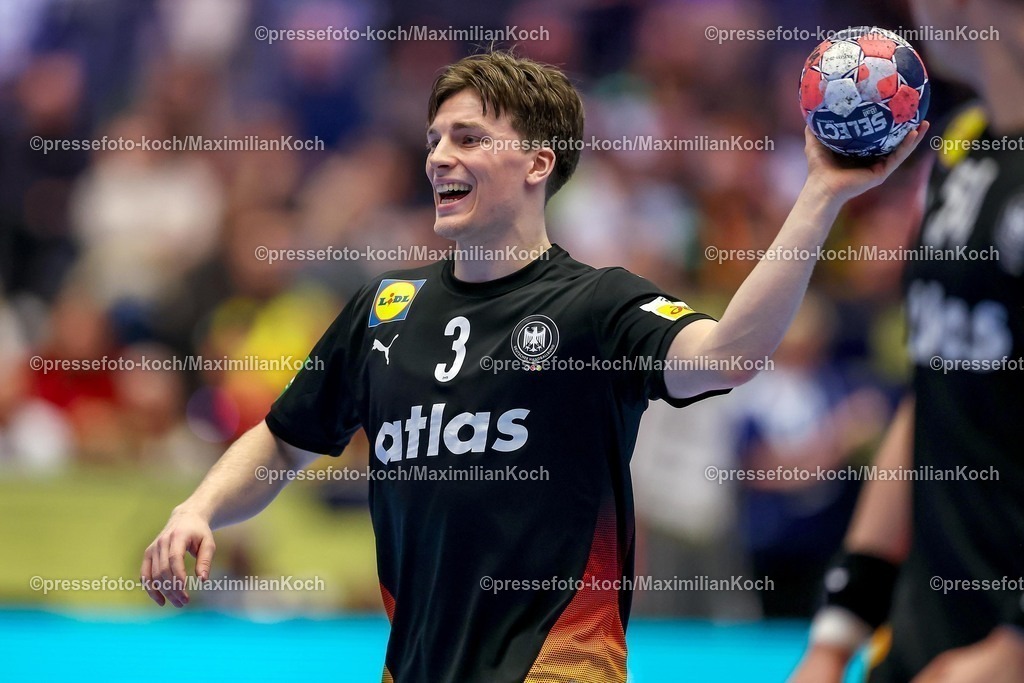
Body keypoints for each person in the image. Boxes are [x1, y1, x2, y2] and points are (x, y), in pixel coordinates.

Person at [141, 50, 923, 682]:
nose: (439, 157)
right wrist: (200, 506)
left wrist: (821, 194)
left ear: (539, 162)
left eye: (470, 138)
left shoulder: (597, 306)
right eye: (435, 139)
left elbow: (729, 355)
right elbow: (284, 440)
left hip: (560, 664)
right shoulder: (385, 309)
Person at [789, 2, 1024, 682]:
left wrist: (1015, 645)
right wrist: (837, 633)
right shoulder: (959, 147)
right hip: (932, 640)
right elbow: (934, 392)